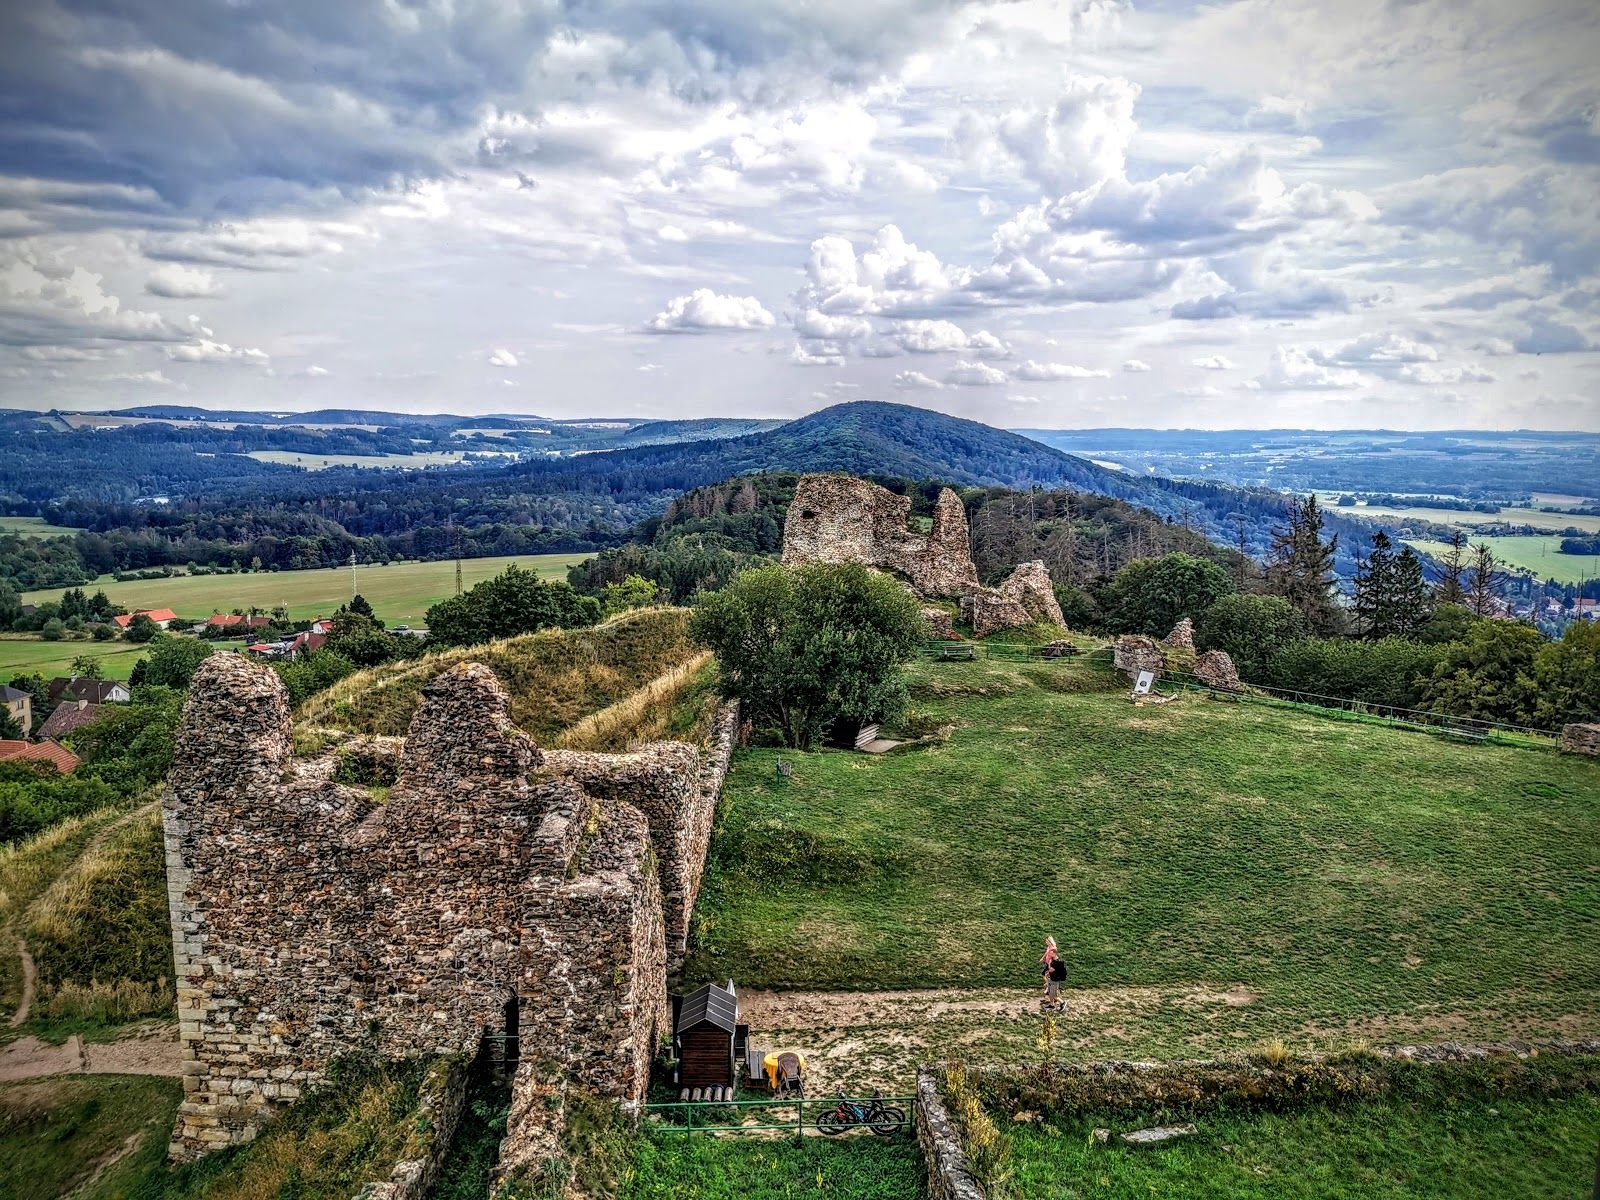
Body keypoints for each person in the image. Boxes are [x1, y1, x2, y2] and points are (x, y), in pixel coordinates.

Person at [1038, 937, 1066, 1013]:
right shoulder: (1051, 961)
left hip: (1054, 980)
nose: (1049, 954)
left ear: (1054, 954)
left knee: (1054, 995)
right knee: (1050, 993)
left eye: (1050, 953)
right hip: (1051, 979)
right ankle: (1051, 1005)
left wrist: (1050, 973)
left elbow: (1056, 971)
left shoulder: (1056, 963)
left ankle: (1063, 1003)